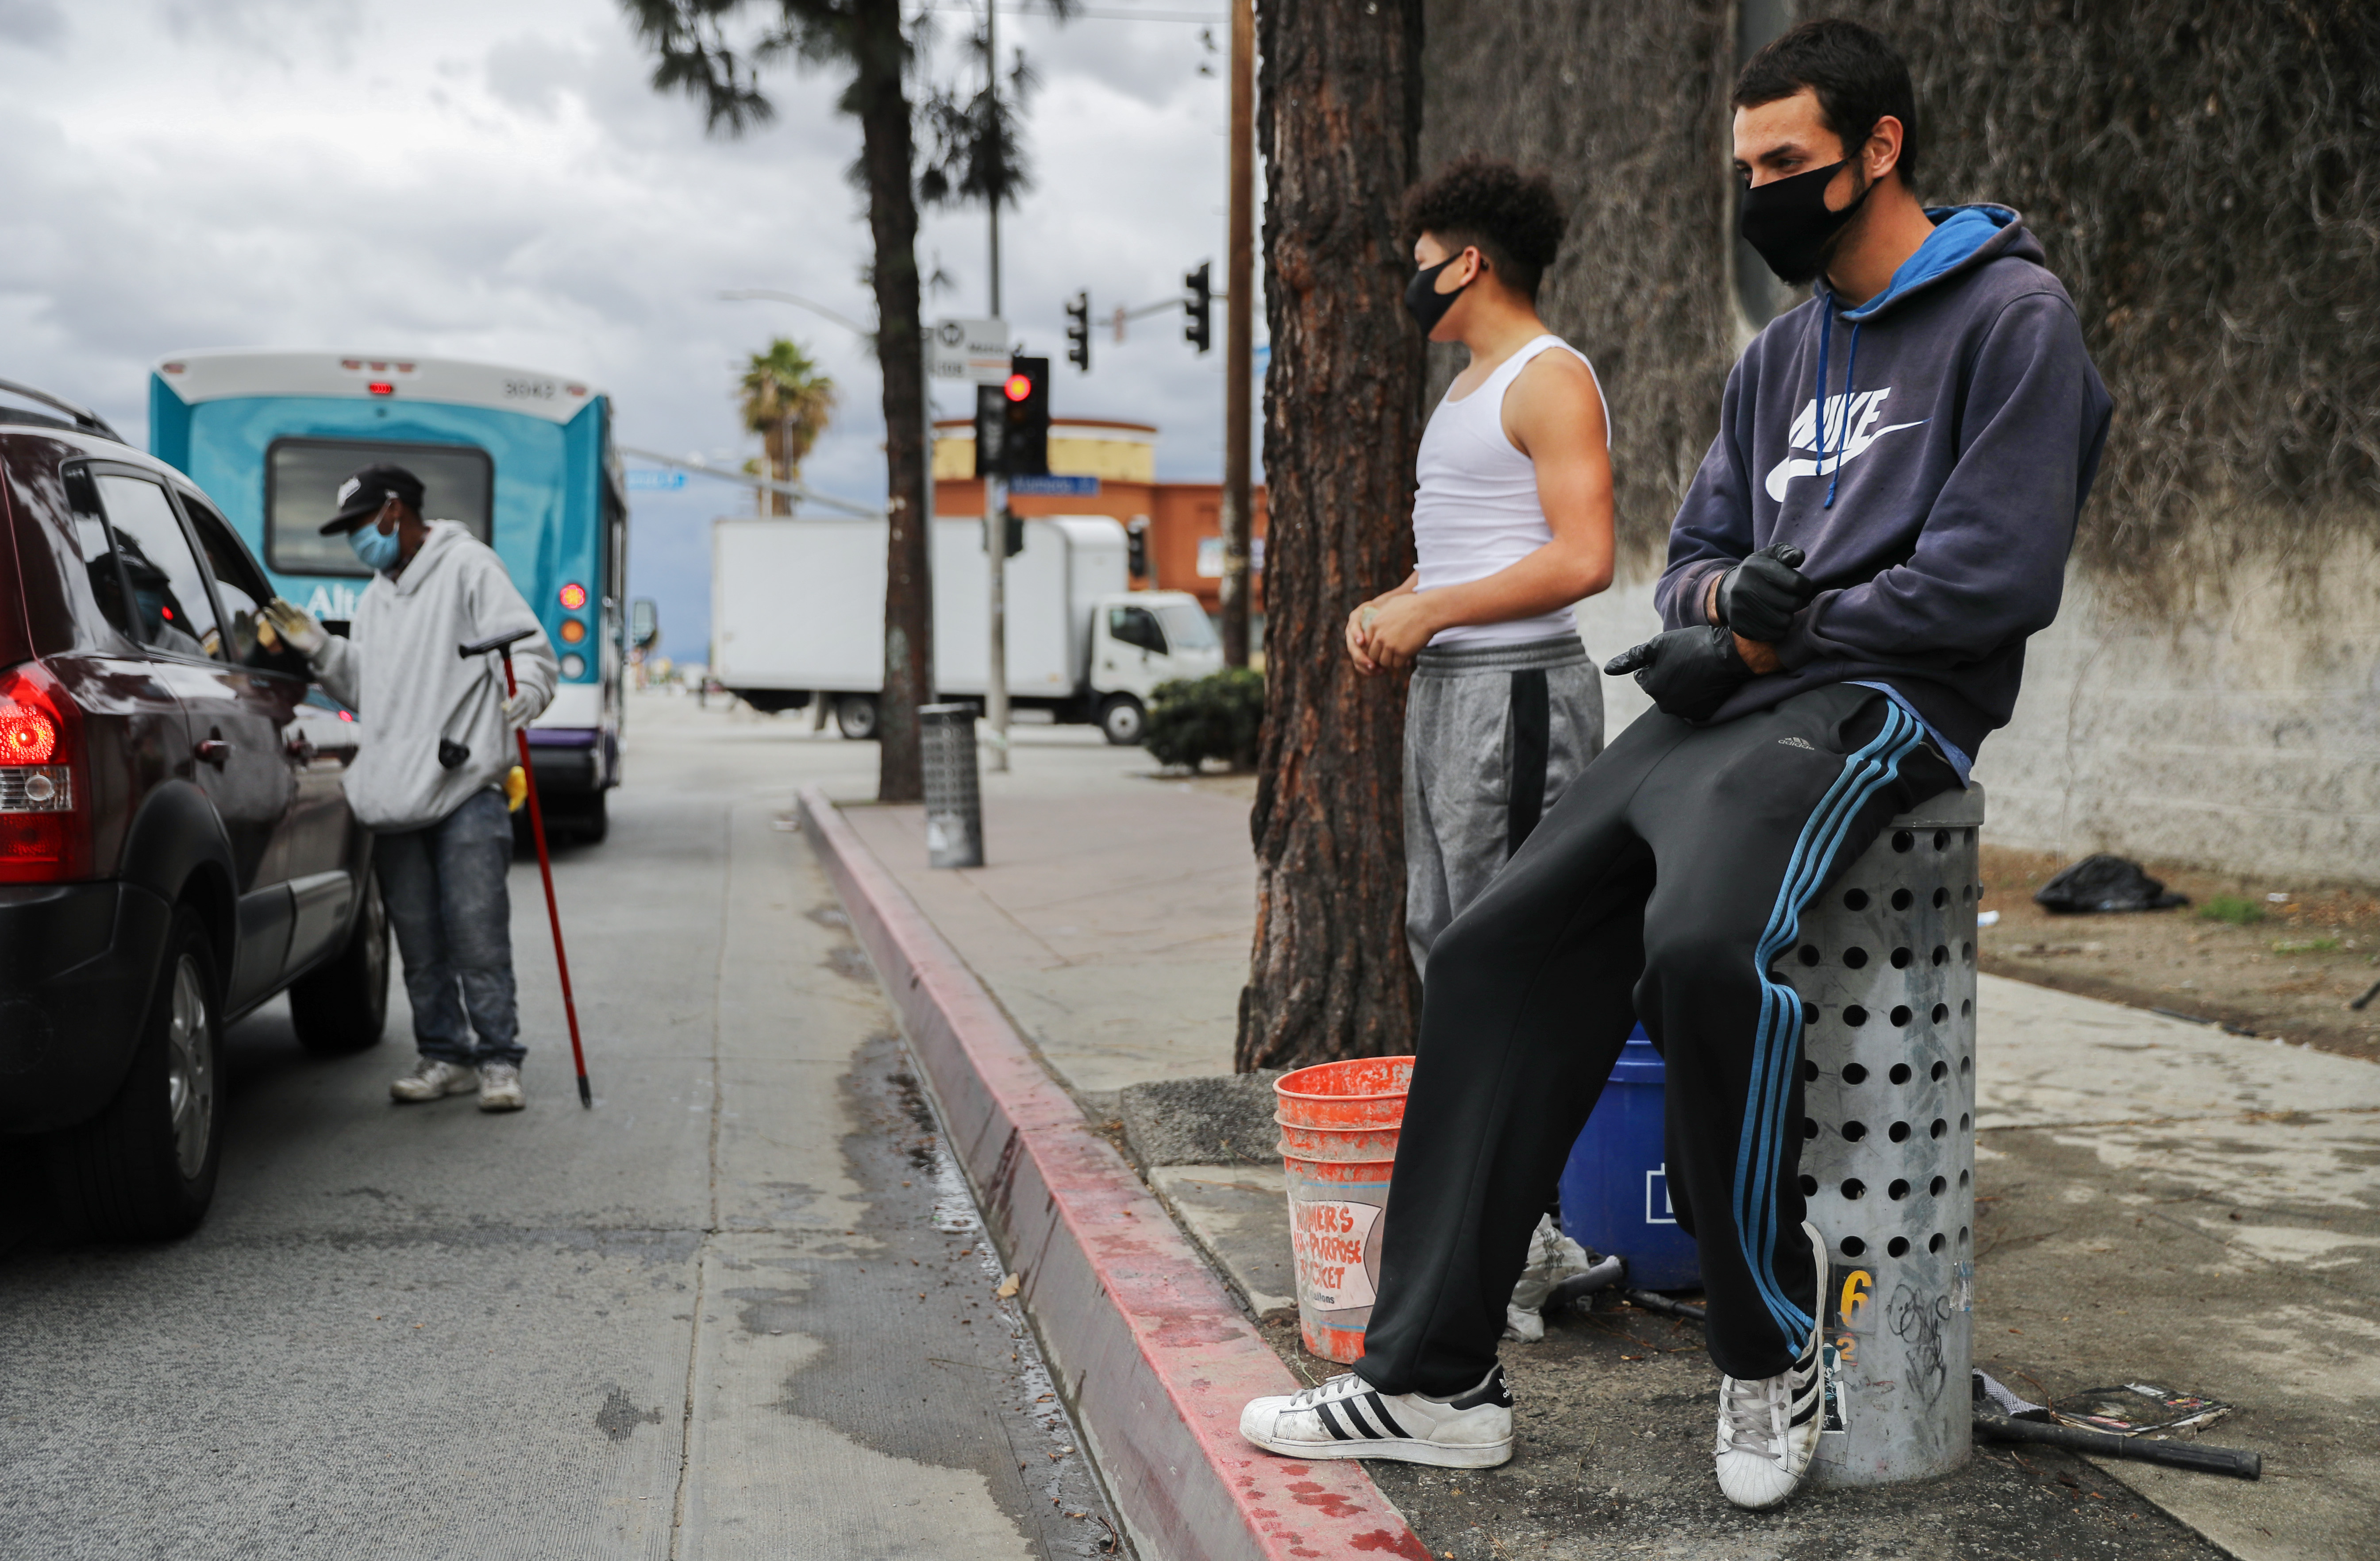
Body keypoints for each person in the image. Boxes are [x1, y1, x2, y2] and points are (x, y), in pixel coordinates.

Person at [1242, 19, 2110, 1511]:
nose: (1759, 192)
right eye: (1743, 167)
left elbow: (1991, 577)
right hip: (1722, 700)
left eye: (1787, 165)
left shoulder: (2007, 321)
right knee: (1497, 942)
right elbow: (1688, 563)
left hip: (1879, 701)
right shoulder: (1776, 356)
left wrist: (1798, 627)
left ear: (1877, 148)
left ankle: (1765, 1346)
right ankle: (1432, 1380)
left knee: (1699, 945)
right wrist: (1719, 609)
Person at [1344, 156, 1620, 1344]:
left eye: (1420, 267)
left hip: (1514, 694)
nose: (1411, 288)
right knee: (1445, 949)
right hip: (1451, 692)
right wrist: (1399, 599)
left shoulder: (1547, 379)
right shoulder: (1463, 391)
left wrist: (1431, 611)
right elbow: (1468, 557)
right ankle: (1513, 1231)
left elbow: (1584, 558)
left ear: (1471, 262)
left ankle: (1521, 1236)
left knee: (1506, 965)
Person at [263, 464, 557, 1112]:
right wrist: (317, 647)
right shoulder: (375, 597)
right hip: (395, 794)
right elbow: (366, 689)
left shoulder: (469, 568)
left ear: (394, 512)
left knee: (477, 932)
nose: (356, 541)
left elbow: (529, 648)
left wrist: (528, 690)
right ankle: (443, 1056)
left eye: (360, 524)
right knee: (420, 939)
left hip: (464, 786)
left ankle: (499, 1060)